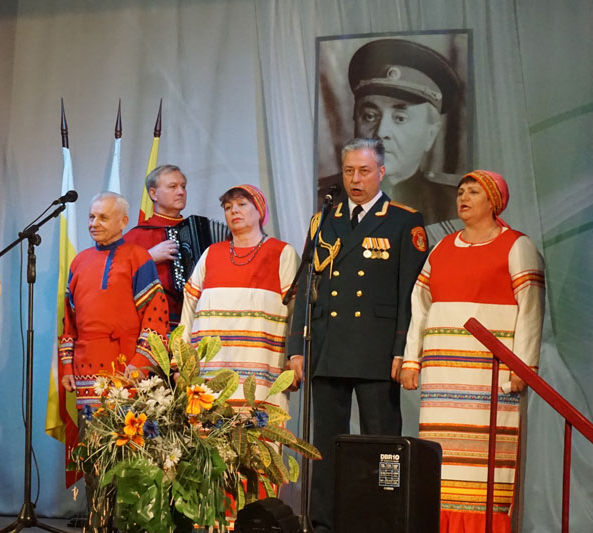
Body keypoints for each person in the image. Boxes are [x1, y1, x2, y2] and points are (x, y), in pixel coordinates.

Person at [289, 138, 428, 532]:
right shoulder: (324, 219)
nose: (355, 179)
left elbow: (410, 294)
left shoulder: (403, 220)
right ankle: (323, 523)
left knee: (382, 445)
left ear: (381, 172)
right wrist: (297, 348)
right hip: (328, 344)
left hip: (377, 348)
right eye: (349, 171)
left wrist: (403, 350)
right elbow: (306, 288)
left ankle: (383, 521)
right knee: (325, 445)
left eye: (364, 171)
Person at [399, 170, 545, 532]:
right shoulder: (443, 247)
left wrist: (523, 366)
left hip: (489, 381)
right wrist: (412, 359)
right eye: (461, 191)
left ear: (493, 201)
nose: (463, 197)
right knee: (441, 464)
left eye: (473, 192)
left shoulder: (517, 246)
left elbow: (531, 307)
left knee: (484, 472)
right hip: (442, 384)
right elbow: (420, 305)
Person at [317, 38, 463, 242]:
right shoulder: (323, 200)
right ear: (355, 123)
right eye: (370, 116)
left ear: (431, 134)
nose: (382, 131)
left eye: (400, 118)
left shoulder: (455, 204)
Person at [180, 184, 298, 411]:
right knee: (208, 431)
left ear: (259, 211)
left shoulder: (282, 253)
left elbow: (296, 310)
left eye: (242, 204)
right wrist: (181, 362)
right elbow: (189, 307)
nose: (234, 210)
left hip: (261, 376)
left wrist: (294, 356)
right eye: (228, 207)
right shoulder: (211, 254)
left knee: (257, 430)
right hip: (210, 377)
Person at [59, 191, 169, 406]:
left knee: (126, 427)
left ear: (123, 222)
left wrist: (140, 362)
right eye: (91, 217)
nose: (94, 223)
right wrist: (67, 367)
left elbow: (155, 317)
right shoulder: (79, 262)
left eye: (103, 217)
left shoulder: (138, 258)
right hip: (85, 373)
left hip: (127, 371)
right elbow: (69, 323)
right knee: (87, 428)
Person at [124, 165, 187, 327]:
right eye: (173, 186)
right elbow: (115, 278)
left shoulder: (196, 230)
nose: (181, 192)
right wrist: (149, 257)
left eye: (183, 186)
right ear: (153, 194)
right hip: (153, 322)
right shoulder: (136, 236)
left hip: (192, 320)